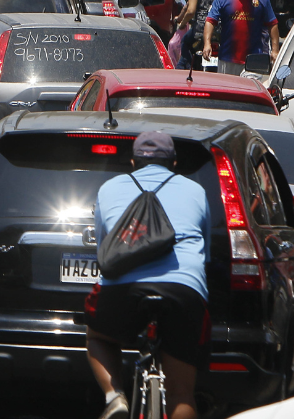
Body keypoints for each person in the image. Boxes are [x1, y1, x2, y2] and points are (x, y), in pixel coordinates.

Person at [85, 131, 210, 419]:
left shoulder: (109, 188)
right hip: (183, 289)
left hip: (121, 290)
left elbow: (106, 251)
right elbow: (205, 254)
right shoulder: (195, 191)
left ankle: (115, 397)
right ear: (174, 163)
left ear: (132, 162)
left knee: (98, 335)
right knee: (181, 394)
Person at [203, 0, 279, 75]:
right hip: (228, 58)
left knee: (250, 92)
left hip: (254, 59)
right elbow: (210, 21)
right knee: (228, 91)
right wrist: (207, 43)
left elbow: (272, 23)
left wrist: (275, 50)